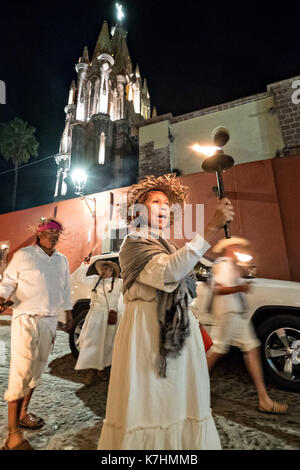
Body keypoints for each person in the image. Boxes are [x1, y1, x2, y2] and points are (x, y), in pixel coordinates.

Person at [98, 173, 235, 450]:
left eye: (166, 203)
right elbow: (171, 272)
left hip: (175, 334)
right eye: (155, 201)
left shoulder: (167, 245)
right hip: (149, 335)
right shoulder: (134, 242)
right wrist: (209, 228)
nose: (163, 206)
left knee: (178, 403)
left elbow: (184, 274)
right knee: (153, 402)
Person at [0, 218, 73, 450]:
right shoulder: (24, 255)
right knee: (21, 371)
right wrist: (2, 297)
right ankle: (12, 436)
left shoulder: (62, 260)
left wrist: (68, 313)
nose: (54, 235)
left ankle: (23, 413)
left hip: (49, 320)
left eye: (57, 232)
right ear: (39, 234)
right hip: (26, 318)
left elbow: (65, 288)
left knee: (36, 371)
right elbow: (8, 281)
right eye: (50, 231)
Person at [206, 236, 288, 414]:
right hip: (227, 313)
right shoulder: (222, 264)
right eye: (236, 247)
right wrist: (241, 288)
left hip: (236, 314)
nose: (239, 250)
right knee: (218, 349)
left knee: (251, 348)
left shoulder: (232, 266)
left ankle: (264, 399)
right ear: (229, 248)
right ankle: (192, 390)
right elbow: (218, 289)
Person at [75, 260, 124, 385]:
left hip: (109, 318)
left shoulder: (119, 283)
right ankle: (92, 372)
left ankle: (102, 371)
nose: (104, 271)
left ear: (112, 271)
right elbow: (80, 278)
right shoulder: (95, 280)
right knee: (92, 343)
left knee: (107, 344)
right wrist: (84, 265)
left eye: (107, 269)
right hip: (95, 316)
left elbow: (126, 296)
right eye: (103, 268)